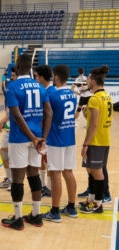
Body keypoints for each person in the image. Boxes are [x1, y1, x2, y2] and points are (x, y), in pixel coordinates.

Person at [1, 54, 52, 230]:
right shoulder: (40, 87)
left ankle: (17, 218)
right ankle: (36, 215)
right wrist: (42, 138)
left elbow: (16, 114)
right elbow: (49, 114)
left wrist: (31, 137)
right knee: (34, 175)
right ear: (30, 67)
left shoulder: (12, 86)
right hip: (37, 138)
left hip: (20, 138)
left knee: (17, 178)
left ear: (17, 65)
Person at [41, 65, 78, 222]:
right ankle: (71, 207)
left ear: (55, 77)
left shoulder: (53, 97)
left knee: (55, 173)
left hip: (56, 139)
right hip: (70, 138)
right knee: (68, 172)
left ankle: (55, 211)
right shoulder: (73, 95)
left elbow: (47, 118)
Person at [79, 65, 112, 214]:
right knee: (91, 169)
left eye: (88, 79)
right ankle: (91, 200)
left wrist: (85, 144)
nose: (87, 81)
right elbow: (95, 118)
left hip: (96, 140)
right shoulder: (107, 96)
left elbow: (93, 124)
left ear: (93, 81)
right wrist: (87, 115)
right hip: (104, 139)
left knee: (96, 172)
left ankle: (98, 204)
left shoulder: (94, 99)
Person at [33, 65, 57, 198]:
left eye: (36, 76)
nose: (35, 78)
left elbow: (47, 115)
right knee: (44, 161)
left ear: (41, 77)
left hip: (48, 134)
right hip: (49, 133)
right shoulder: (51, 90)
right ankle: (45, 186)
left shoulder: (48, 93)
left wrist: (42, 135)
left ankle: (49, 187)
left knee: (49, 162)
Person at [0, 67, 17, 190]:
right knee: (4, 152)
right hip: (9, 126)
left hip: (17, 128)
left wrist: (3, 120)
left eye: (13, 75)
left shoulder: (15, 89)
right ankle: (9, 179)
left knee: (15, 155)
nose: (12, 77)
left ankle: (16, 181)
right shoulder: (9, 90)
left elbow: (16, 111)